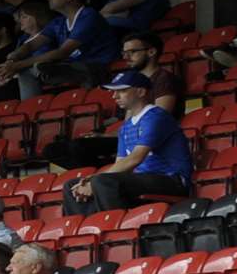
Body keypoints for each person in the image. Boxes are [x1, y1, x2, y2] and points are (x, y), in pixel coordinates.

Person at [44, 30, 184, 168]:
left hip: (152, 138)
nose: (126, 57)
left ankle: (112, 171)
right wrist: (106, 136)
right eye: (124, 53)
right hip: (130, 137)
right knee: (53, 150)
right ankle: (109, 170)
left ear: (151, 52)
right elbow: (128, 123)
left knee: (78, 147)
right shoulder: (132, 81)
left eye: (132, 52)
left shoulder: (164, 79)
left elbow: (159, 118)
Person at [61, 70, 192, 214]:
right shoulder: (125, 126)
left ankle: (116, 230)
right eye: (114, 91)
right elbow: (121, 164)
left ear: (141, 92)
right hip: (141, 180)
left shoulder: (156, 117)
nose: (114, 96)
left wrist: (95, 180)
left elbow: (136, 158)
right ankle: (90, 231)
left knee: (103, 182)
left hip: (171, 180)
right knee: (71, 186)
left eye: (122, 91)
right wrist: (89, 181)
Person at [0, 0, 121, 100]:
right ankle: (32, 111)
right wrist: (12, 60)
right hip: (73, 67)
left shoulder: (88, 16)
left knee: (34, 66)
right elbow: (31, 45)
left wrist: (18, 65)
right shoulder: (59, 22)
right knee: (27, 70)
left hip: (97, 66)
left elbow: (63, 52)